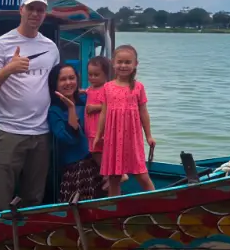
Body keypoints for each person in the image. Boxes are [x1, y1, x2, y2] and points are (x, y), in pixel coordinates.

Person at [0, 0, 59, 210]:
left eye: (40, 10)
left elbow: (58, 86)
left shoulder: (51, 48)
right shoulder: (1, 45)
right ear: (21, 10)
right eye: (30, 8)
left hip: (41, 134)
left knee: (34, 199)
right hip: (7, 133)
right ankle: (1, 242)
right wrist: (8, 70)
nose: (35, 13)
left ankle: (25, 242)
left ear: (45, 14)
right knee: (2, 201)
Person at [93, 44, 156, 197]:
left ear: (135, 65)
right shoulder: (107, 87)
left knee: (141, 173)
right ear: (113, 63)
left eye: (128, 62)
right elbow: (104, 113)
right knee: (114, 177)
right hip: (113, 138)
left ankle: (157, 201)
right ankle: (114, 209)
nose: (123, 65)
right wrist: (98, 135)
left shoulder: (138, 87)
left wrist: (148, 136)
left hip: (132, 137)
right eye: (120, 62)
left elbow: (143, 112)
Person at [48, 63, 104, 202]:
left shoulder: (86, 99)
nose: (68, 83)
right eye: (62, 79)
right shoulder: (54, 111)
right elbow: (70, 139)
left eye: (71, 78)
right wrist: (71, 109)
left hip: (98, 162)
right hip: (75, 169)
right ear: (54, 83)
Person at [83, 55, 120, 191]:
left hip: (100, 128)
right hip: (91, 128)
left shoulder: (107, 88)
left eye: (96, 75)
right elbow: (88, 92)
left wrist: (95, 108)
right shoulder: (91, 88)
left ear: (106, 74)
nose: (92, 78)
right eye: (90, 75)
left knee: (99, 152)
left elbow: (111, 105)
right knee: (95, 152)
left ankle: (111, 176)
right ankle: (108, 177)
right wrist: (82, 92)